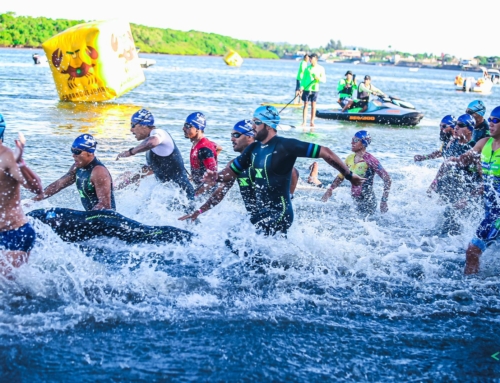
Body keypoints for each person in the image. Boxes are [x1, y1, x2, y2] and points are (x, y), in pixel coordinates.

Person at [201, 106, 365, 236]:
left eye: (256, 123)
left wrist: (350, 176)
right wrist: (216, 177)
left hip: (279, 213)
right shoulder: (254, 149)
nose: (253, 127)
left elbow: (326, 152)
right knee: (245, 237)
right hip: (263, 214)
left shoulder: (285, 145)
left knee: (236, 236)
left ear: (267, 125)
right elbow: (232, 171)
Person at [179, 119, 299, 222]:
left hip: (274, 216)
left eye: (236, 135)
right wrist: (199, 211)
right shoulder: (234, 165)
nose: (232, 139)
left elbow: (294, 172)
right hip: (254, 217)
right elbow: (220, 193)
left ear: (250, 137)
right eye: (231, 135)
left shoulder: (266, 158)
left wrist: (288, 198)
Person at [448, 106, 500, 274]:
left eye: (496, 120)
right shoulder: (484, 143)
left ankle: (470, 289)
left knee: (472, 250)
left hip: (497, 214)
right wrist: (455, 158)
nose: (490, 123)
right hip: (489, 210)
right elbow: (465, 160)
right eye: (490, 120)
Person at [115, 109, 194, 199]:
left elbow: (152, 142)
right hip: (173, 194)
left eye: (133, 125)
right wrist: (121, 186)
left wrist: (131, 152)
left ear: (144, 125)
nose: (131, 129)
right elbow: (144, 172)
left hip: (183, 195)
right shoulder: (153, 150)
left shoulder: (159, 133)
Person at [0, 114, 44, 276]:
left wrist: (21, 164)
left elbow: (37, 189)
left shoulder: (7, 158)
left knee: (6, 291)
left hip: (13, 234)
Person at [428, 115, 482, 234]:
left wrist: (467, 199)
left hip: (465, 193)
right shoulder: (452, 143)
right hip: (449, 188)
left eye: (460, 125)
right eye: (456, 124)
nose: (456, 127)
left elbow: (484, 179)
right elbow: (445, 164)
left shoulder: (475, 148)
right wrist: (434, 183)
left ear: (469, 129)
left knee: (455, 227)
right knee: (443, 222)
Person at [33, 134, 115, 211]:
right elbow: (57, 185)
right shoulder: (76, 168)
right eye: (72, 150)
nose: (73, 155)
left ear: (90, 152)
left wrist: (83, 218)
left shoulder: (98, 172)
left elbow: (105, 205)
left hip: (104, 221)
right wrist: (33, 200)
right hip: (90, 218)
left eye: (77, 152)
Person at [28, 208, 193, 245]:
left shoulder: (33, 222)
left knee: (146, 234)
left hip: (107, 221)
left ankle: (190, 238)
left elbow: (106, 203)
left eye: (77, 152)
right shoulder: (35, 217)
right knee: (147, 233)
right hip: (101, 219)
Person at [321, 130, 391, 215]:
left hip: (368, 202)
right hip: (355, 201)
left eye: (355, 140)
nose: (351, 142)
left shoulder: (371, 160)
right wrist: (330, 189)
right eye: (352, 139)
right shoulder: (349, 158)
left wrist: (384, 201)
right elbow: (341, 176)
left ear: (364, 143)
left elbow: (387, 179)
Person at [182, 112, 221, 190]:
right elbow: (218, 148)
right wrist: (195, 175)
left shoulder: (204, 149)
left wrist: (196, 195)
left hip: (207, 193)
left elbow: (213, 179)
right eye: (184, 125)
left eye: (187, 126)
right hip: (201, 188)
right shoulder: (200, 144)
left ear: (198, 129)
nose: (183, 128)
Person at [299, 53, 326, 127]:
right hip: (307, 89)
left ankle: (312, 122)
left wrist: (318, 78)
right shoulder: (307, 68)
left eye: (312, 59)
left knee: (313, 105)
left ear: (316, 59)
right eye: (310, 59)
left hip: (315, 89)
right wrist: (301, 87)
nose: (310, 60)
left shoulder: (321, 68)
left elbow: (324, 80)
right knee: (305, 104)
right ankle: (304, 122)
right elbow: (303, 79)